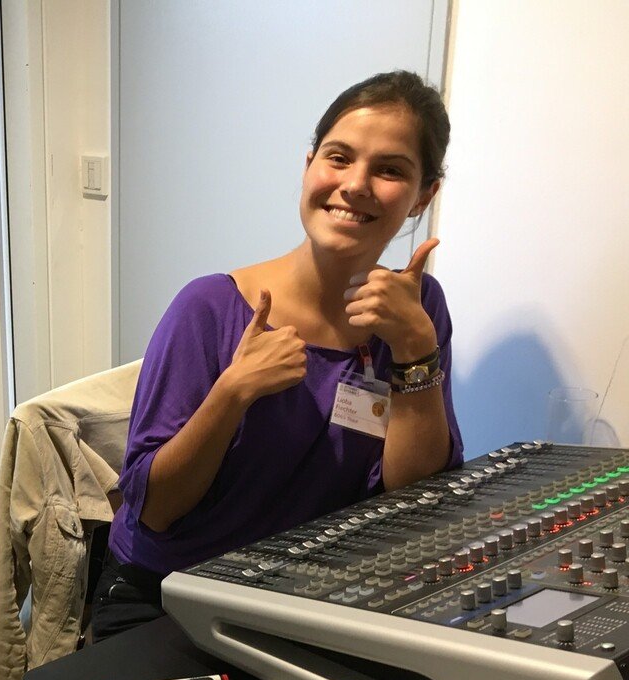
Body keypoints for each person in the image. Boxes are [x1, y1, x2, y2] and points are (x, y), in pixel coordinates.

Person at [91, 70, 464, 640]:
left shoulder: (417, 308)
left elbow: (413, 502)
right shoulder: (209, 307)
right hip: (174, 598)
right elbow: (156, 511)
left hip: (320, 603)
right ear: (310, 164)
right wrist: (234, 391)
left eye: (390, 170)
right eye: (338, 158)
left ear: (423, 196)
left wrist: (415, 348)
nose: (355, 184)